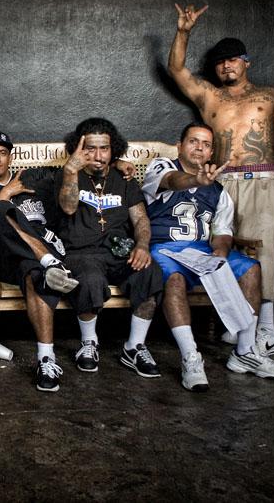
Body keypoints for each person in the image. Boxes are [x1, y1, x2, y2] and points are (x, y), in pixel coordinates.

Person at [167, 3, 274, 353]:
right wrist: (183, 31)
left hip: (264, 180)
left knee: (264, 254)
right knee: (222, 251)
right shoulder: (209, 96)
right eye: (220, 61)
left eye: (233, 59)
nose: (226, 66)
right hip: (221, 182)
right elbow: (177, 70)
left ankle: (266, 328)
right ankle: (239, 321)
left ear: (246, 62)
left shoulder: (269, 96)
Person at [143, 122, 274, 391]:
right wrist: (196, 180)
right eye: (193, 141)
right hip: (164, 248)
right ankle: (190, 357)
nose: (199, 148)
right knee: (173, 280)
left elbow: (222, 232)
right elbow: (171, 181)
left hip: (201, 251)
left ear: (211, 153)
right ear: (180, 145)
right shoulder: (162, 166)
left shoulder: (218, 191)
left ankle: (245, 351)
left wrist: (219, 254)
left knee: (251, 268)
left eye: (206, 144)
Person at [0, 130, 79, 392]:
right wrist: (4, 194)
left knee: (35, 275)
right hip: (4, 257)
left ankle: (46, 359)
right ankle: (47, 259)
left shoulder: (34, 185)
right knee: (2, 209)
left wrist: (119, 163)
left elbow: (76, 177)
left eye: (2, 153)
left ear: (10, 158)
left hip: (32, 263)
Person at [55, 118, 164, 377]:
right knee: (90, 277)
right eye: (89, 148)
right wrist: (71, 171)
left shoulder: (124, 179)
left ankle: (134, 346)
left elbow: (140, 219)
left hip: (118, 251)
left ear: (113, 149)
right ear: (77, 149)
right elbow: (68, 207)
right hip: (80, 252)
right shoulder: (67, 175)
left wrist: (142, 245)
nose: (97, 155)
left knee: (149, 271)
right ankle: (89, 343)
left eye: (104, 148)